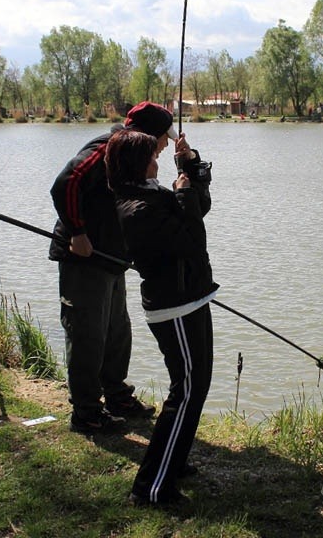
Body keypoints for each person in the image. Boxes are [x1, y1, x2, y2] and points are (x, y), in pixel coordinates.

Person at [48, 102, 178, 434]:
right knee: (88, 334)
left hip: (111, 259)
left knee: (117, 331)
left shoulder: (136, 157)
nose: (166, 144)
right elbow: (65, 183)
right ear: (147, 134)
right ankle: (87, 412)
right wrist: (77, 232)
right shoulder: (104, 149)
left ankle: (117, 395)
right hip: (83, 257)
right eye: (164, 136)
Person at [104, 126, 217, 507]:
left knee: (196, 388)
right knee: (184, 392)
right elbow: (190, 239)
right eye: (152, 155)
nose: (158, 157)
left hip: (193, 296)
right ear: (137, 165)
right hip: (174, 308)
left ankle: (174, 461)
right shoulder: (136, 209)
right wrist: (183, 191)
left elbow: (199, 209)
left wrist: (191, 166)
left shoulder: (149, 193)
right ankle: (151, 489)